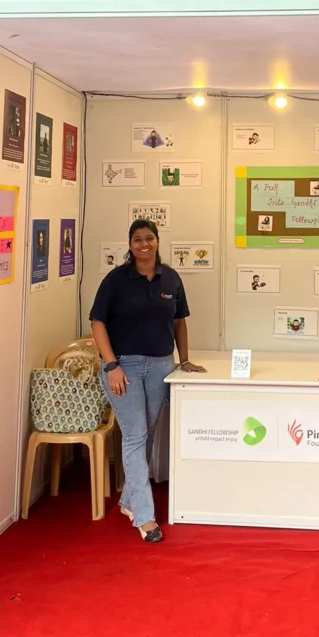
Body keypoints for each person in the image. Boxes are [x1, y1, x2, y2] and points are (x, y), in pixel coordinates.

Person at [89, 219, 206, 543]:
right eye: (138, 239)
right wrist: (111, 365)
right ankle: (145, 517)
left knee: (148, 434)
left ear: (157, 241)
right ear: (130, 245)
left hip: (160, 365)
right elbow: (97, 323)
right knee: (135, 436)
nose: (144, 244)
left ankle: (128, 501)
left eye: (149, 238)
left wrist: (184, 360)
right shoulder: (116, 280)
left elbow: (179, 322)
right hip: (123, 367)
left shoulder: (171, 277)